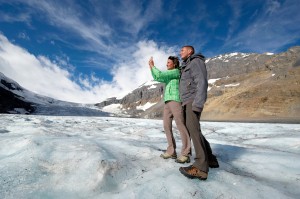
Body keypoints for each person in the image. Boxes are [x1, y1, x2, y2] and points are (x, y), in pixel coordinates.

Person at [178, 45, 219, 180]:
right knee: (196, 130)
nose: (180, 52)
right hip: (187, 101)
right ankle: (210, 159)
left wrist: (197, 103)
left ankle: (200, 167)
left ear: (190, 51)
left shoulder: (196, 62)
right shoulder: (186, 65)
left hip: (192, 101)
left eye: (182, 50)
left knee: (193, 130)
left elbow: (202, 82)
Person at [148, 56, 191, 163]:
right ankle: (171, 151)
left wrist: (153, 66)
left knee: (181, 125)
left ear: (174, 64)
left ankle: (186, 153)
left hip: (175, 100)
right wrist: (151, 67)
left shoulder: (176, 72)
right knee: (166, 126)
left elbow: (160, 75)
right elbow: (157, 77)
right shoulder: (170, 74)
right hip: (167, 102)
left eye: (168, 62)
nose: (166, 64)